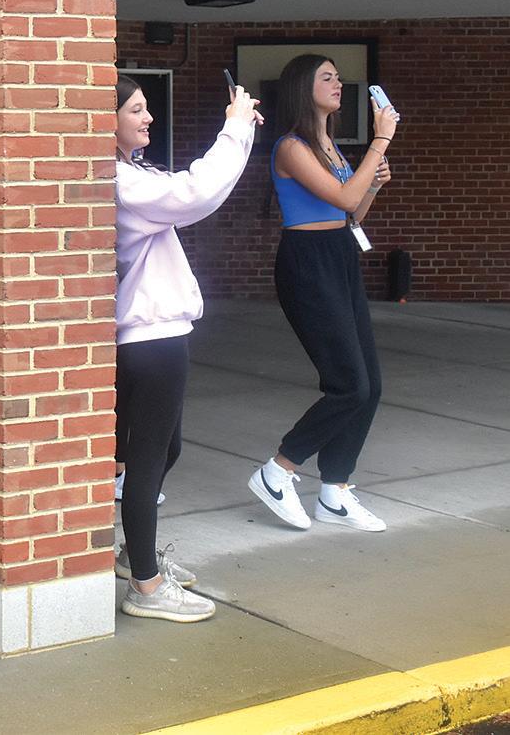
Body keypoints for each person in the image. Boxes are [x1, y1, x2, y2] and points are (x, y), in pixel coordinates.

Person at [114, 74, 261, 623]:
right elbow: (197, 192)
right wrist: (235, 128)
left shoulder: (129, 173)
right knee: (147, 459)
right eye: (135, 110)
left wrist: (239, 131)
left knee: (163, 451)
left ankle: (135, 555)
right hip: (150, 339)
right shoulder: (122, 182)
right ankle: (146, 585)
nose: (147, 118)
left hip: (159, 336)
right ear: (105, 121)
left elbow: (199, 189)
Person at [248, 54, 395, 532]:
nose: (338, 84)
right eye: (326, 77)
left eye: (338, 77)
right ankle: (278, 471)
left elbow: (351, 212)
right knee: (349, 384)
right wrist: (380, 141)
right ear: (302, 87)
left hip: (339, 253)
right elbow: (344, 197)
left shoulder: (329, 145)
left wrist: (372, 184)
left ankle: (335, 492)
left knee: (369, 385)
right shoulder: (291, 147)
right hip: (307, 264)